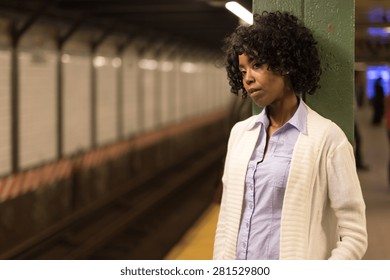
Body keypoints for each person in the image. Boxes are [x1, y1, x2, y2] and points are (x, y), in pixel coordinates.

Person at [213, 11, 367, 260]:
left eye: (257, 65)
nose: (248, 79)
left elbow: (354, 234)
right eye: (242, 71)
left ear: (284, 64)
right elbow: (227, 221)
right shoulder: (240, 134)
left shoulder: (327, 139)